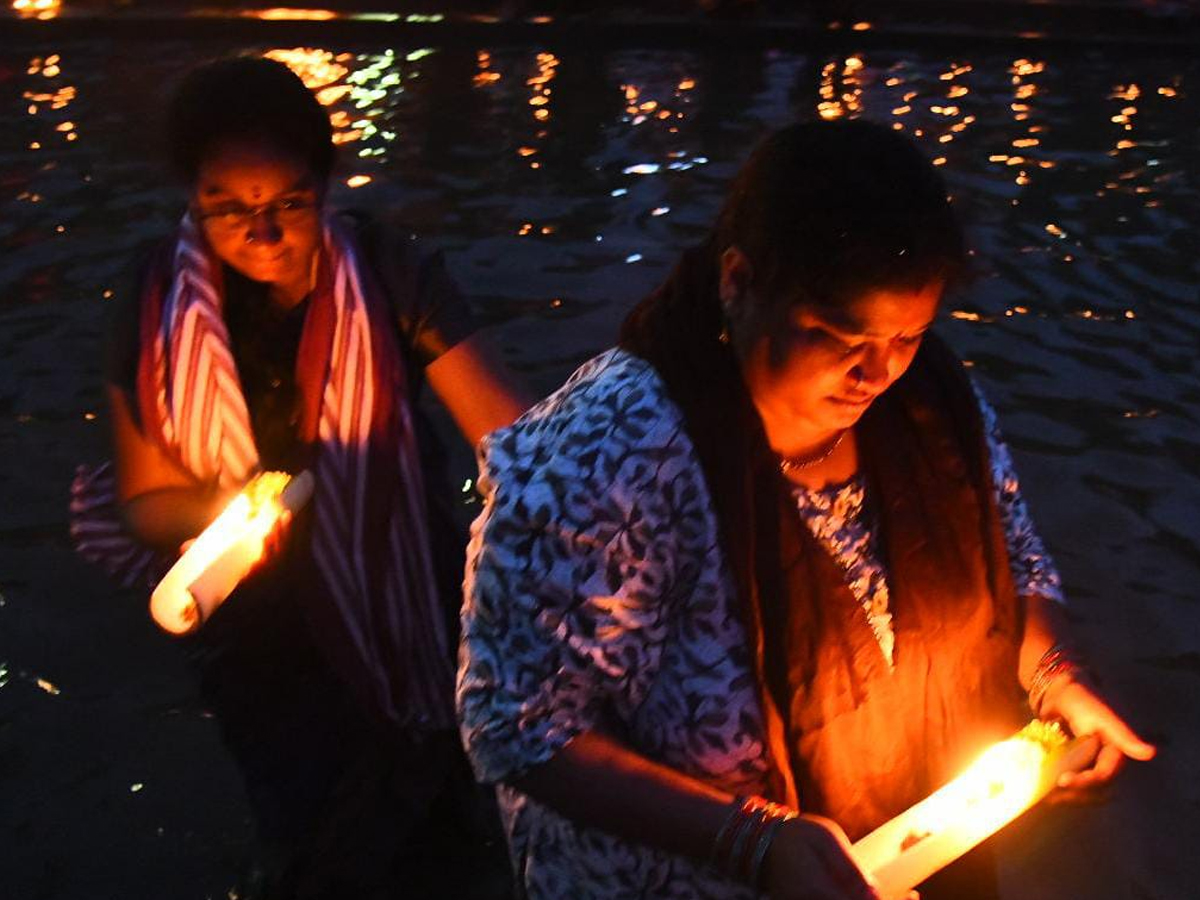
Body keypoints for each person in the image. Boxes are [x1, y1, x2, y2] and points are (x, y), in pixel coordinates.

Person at [456, 119, 1156, 900]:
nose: (875, 372)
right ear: (738, 280)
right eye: (835, 332)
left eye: (908, 335)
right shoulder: (613, 454)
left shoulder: (933, 412)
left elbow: (1015, 560)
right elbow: (518, 725)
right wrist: (749, 841)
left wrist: (1057, 680)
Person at [70, 56, 526, 899]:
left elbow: (517, 439)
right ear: (191, 196)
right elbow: (141, 503)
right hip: (258, 630)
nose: (264, 233)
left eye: (288, 203)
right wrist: (235, 513)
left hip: (407, 597)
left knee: (439, 830)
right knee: (310, 834)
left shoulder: (389, 269)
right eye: (226, 209)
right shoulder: (148, 295)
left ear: (326, 180)